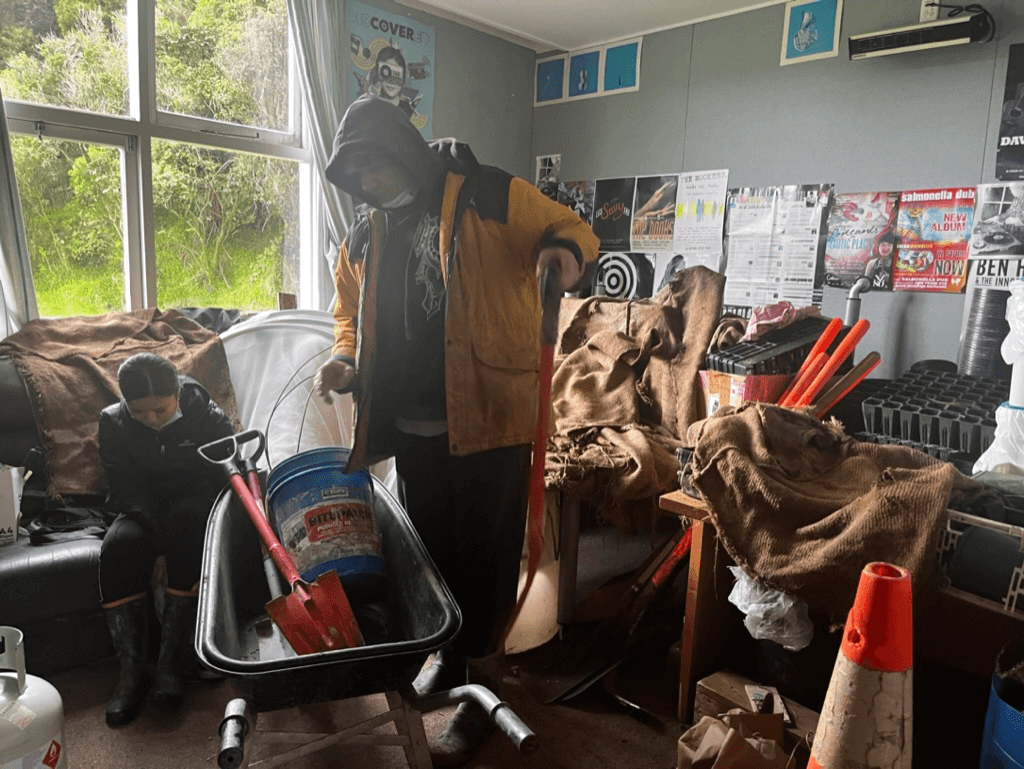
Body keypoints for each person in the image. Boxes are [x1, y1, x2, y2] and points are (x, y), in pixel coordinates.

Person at [314, 94, 599, 765]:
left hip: (491, 422)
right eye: (354, 175)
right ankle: (449, 658)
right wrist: (345, 358)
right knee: (432, 555)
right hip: (411, 427)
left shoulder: (489, 193)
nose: (366, 182)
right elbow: (347, 310)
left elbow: (572, 230)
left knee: (484, 559)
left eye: (373, 166)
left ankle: (484, 689)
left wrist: (560, 257)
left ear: (400, 151)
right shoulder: (366, 232)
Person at [97, 353, 234, 727]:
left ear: (177, 394)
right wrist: (159, 548)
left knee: (185, 523)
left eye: (160, 410)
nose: (151, 419)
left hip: (194, 505)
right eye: (138, 412)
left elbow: (219, 478)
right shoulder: (112, 422)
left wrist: (172, 547)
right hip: (141, 508)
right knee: (118, 547)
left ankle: (170, 665)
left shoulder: (205, 415)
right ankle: (132, 673)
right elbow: (125, 489)